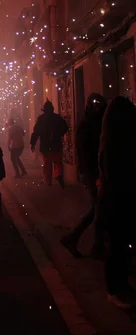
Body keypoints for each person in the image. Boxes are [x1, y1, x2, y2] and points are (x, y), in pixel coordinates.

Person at [97, 96, 136, 309]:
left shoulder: (117, 142)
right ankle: (115, 290)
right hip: (115, 202)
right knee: (117, 247)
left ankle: (121, 286)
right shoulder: (112, 146)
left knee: (122, 247)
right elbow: (115, 176)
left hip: (120, 201)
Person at [61, 94, 107, 258]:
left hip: (99, 172)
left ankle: (85, 241)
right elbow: (85, 152)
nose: (97, 107)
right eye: (94, 104)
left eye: (99, 104)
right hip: (92, 173)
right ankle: (85, 241)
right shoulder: (87, 124)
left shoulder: (99, 122)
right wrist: (92, 176)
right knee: (98, 208)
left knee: (99, 209)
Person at [30, 100, 68, 188]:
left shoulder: (41, 119)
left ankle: (48, 181)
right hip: (56, 143)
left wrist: (33, 143)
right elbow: (65, 127)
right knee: (57, 161)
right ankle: (58, 174)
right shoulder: (57, 117)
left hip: (45, 144)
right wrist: (59, 133)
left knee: (47, 163)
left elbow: (36, 132)